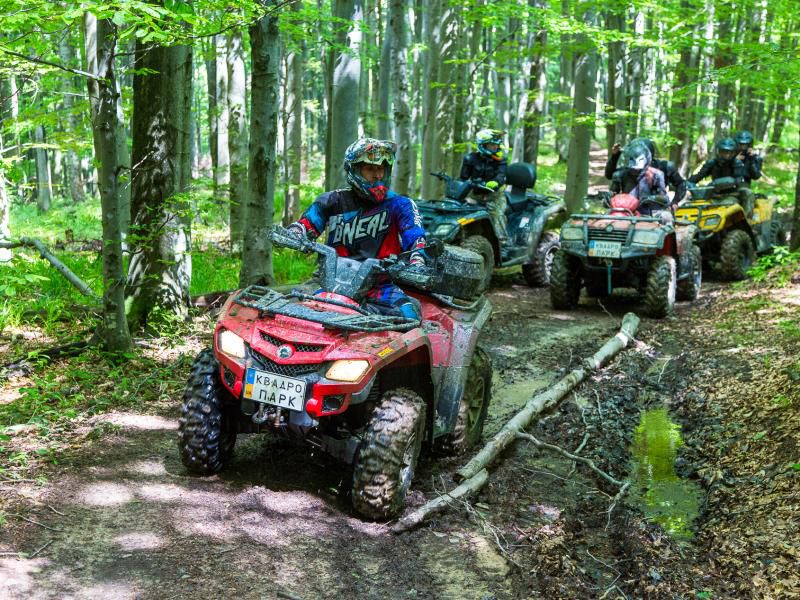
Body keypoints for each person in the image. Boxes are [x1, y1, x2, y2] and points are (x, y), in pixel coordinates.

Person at [288, 138, 427, 320]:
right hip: (332, 284)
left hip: (379, 286)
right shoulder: (332, 201)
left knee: (410, 315)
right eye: (370, 169)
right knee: (297, 313)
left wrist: (417, 259)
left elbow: (415, 237)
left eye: (381, 168)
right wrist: (296, 233)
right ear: (354, 169)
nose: (377, 175)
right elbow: (307, 224)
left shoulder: (400, 205)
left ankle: (367, 321)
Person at [459, 129, 509, 241]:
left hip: (494, 197)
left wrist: (495, 182)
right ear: (483, 145)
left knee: (497, 215)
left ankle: (503, 242)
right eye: (492, 145)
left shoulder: (501, 160)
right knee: (461, 213)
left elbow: (501, 175)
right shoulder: (470, 158)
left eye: (497, 144)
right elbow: (463, 178)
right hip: (474, 196)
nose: (496, 147)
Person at [606, 137, 687, 202]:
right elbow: (609, 175)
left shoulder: (664, 167)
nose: (636, 170)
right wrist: (615, 156)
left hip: (656, 208)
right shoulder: (627, 170)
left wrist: (675, 202)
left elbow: (681, 184)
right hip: (630, 209)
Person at [688, 137, 754, 216]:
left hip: (731, 196)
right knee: (695, 209)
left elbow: (738, 180)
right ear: (718, 151)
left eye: (729, 153)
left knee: (728, 210)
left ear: (733, 153)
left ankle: (747, 218)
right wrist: (684, 183)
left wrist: (719, 183)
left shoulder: (736, 163)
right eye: (724, 152)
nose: (726, 155)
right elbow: (698, 177)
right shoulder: (711, 163)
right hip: (712, 196)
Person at [610, 140, 669, 218]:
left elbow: (665, 199)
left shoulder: (656, 175)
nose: (635, 170)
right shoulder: (619, 174)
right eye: (632, 169)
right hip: (626, 211)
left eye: (638, 169)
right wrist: (608, 197)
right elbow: (613, 194)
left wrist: (651, 198)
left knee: (667, 216)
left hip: (651, 212)